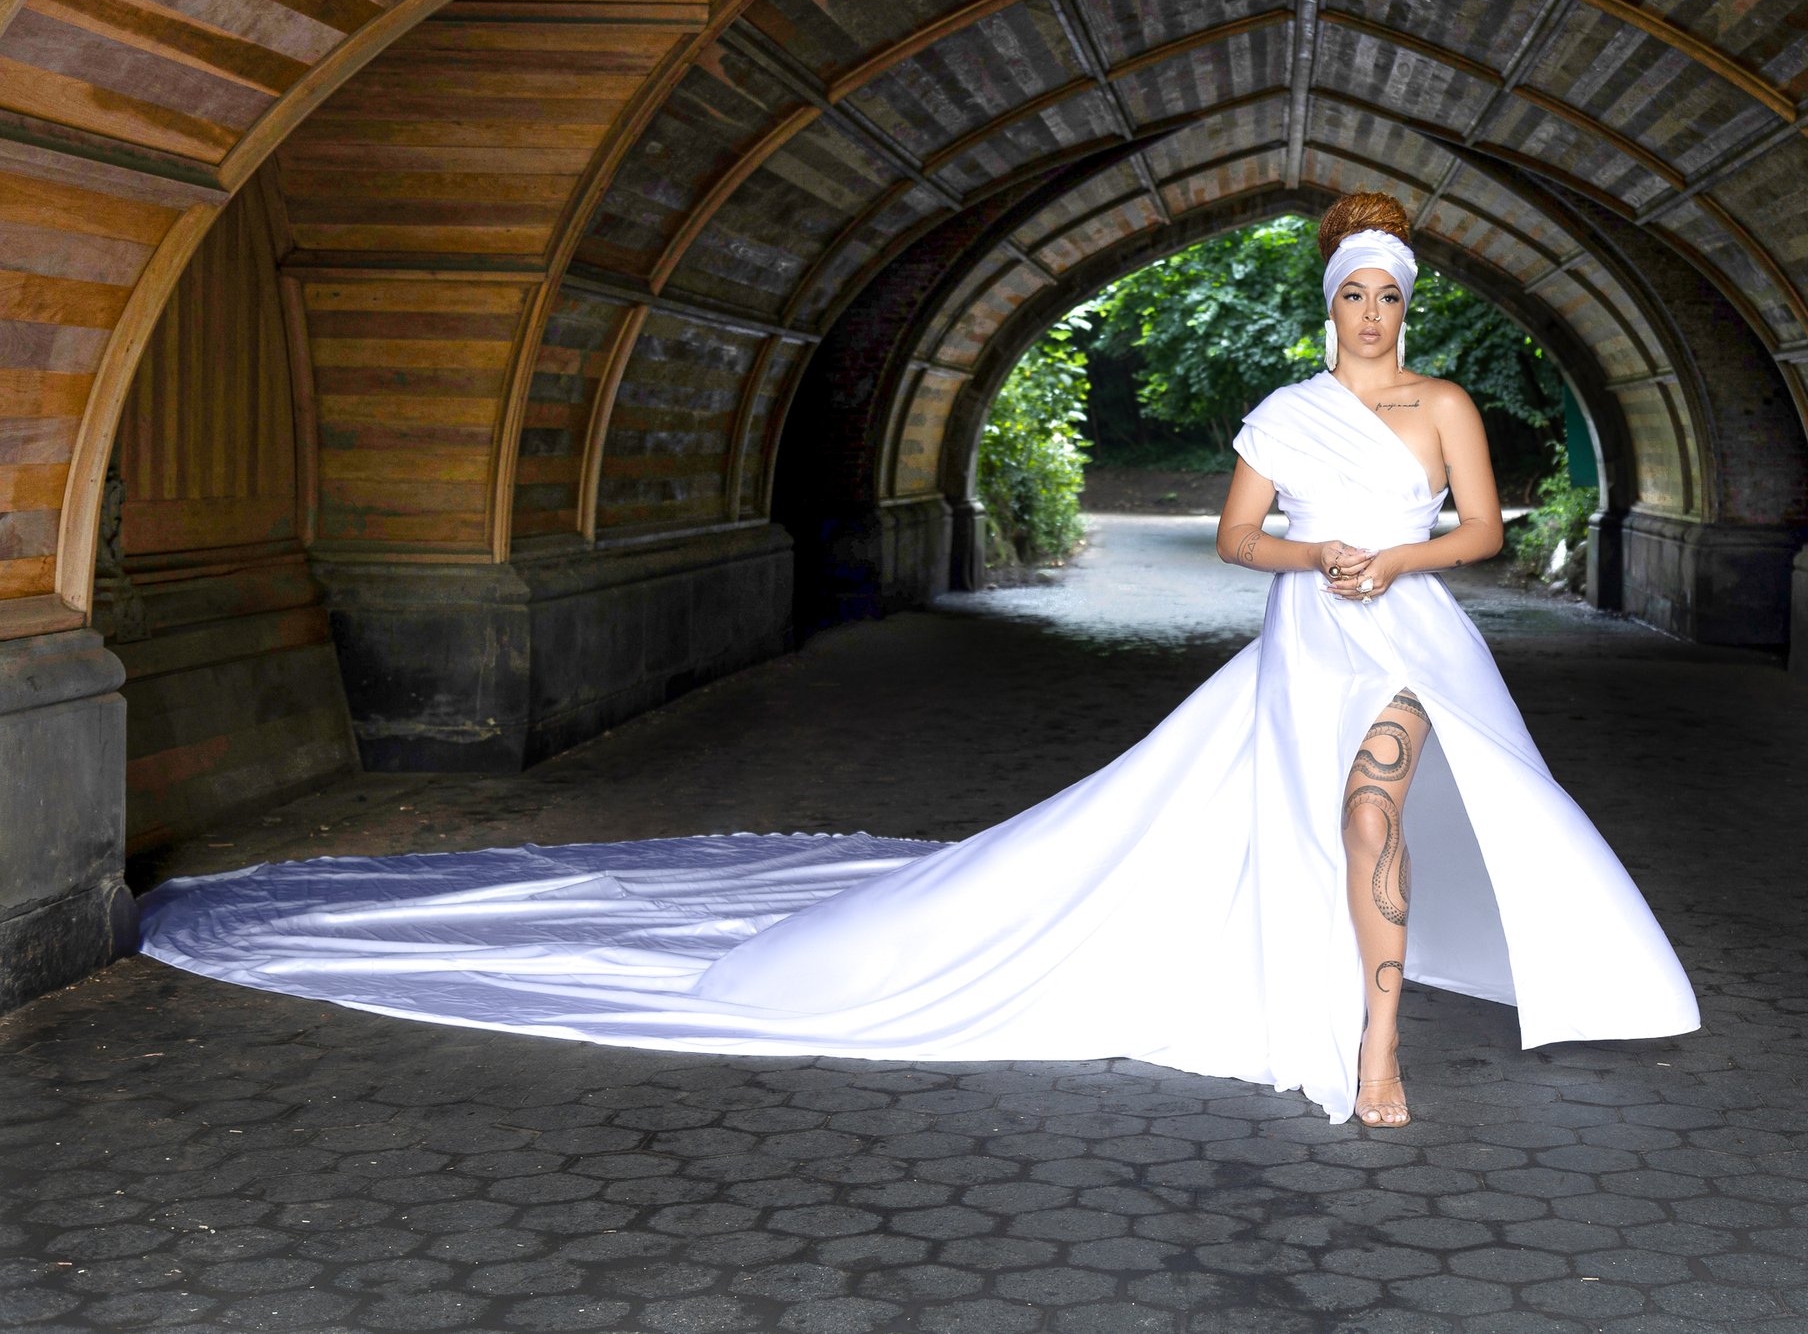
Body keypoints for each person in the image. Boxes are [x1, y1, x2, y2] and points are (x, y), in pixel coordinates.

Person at [139, 192, 1699, 1128]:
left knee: (1380, 797)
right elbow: (1234, 543)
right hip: (1306, 629)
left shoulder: (1440, 410)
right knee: (1339, 810)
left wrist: (1393, 556)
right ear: (1327, 306)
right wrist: (1314, 556)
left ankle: (1371, 1039)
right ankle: (1366, 1027)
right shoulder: (1284, 417)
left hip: (1411, 628)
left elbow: (1483, 534)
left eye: (1386, 293)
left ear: (1409, 307)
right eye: (1348, 291)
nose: (1367, 310)